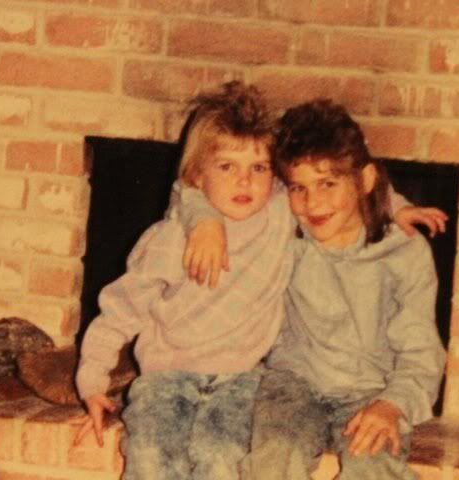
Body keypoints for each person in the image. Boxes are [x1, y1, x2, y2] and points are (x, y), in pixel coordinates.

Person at [183, 99, 446, 479]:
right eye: (298, 188)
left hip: (373, 390)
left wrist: (393, 404)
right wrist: (205, 220)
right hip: (294, 385)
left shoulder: (404, 251)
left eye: (328, 184)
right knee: (274, 459)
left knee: (372, 465)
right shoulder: (283, 230)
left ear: (365, 181)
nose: (312, 203)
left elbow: (422, 352)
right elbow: (192, 184)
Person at [73, 81, 297, 480]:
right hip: (166, 377)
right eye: (226, 166)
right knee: (150, 455)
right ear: (197, 176)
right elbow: (121, 311)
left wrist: (394, 209)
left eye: (259, 167)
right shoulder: (171, 238)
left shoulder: (281, 217)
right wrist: (92, 381)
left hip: (241, 380)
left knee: (223, 457)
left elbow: (339, 185)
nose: (244, 181)